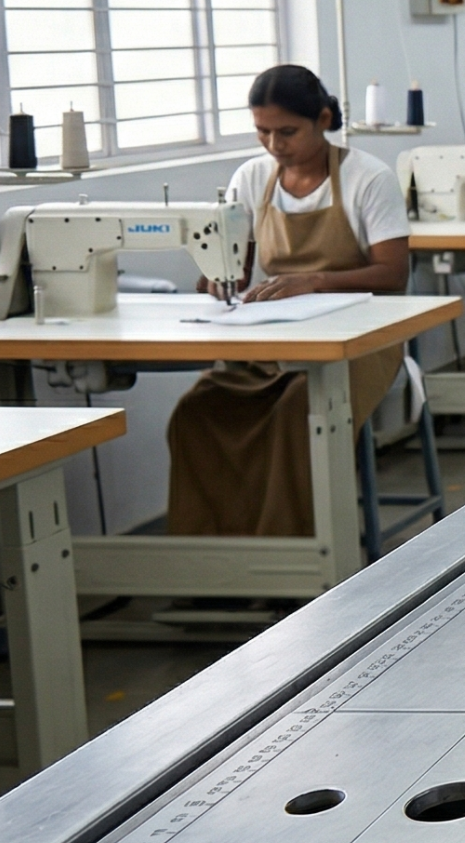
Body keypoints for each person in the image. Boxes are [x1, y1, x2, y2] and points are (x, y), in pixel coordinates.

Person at [167, 66, 412, 537]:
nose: (274, 145)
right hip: (278, 339)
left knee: (302, 411)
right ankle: (216, 562)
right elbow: (236, 268)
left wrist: (317, 280)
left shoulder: (368, 178)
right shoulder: (252, 177)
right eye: (262, 132)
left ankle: (298, 562)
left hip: (362, 341)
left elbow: (393, 273)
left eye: (287, 132)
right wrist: (217, 280)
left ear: (322, 119)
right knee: (199, 411)